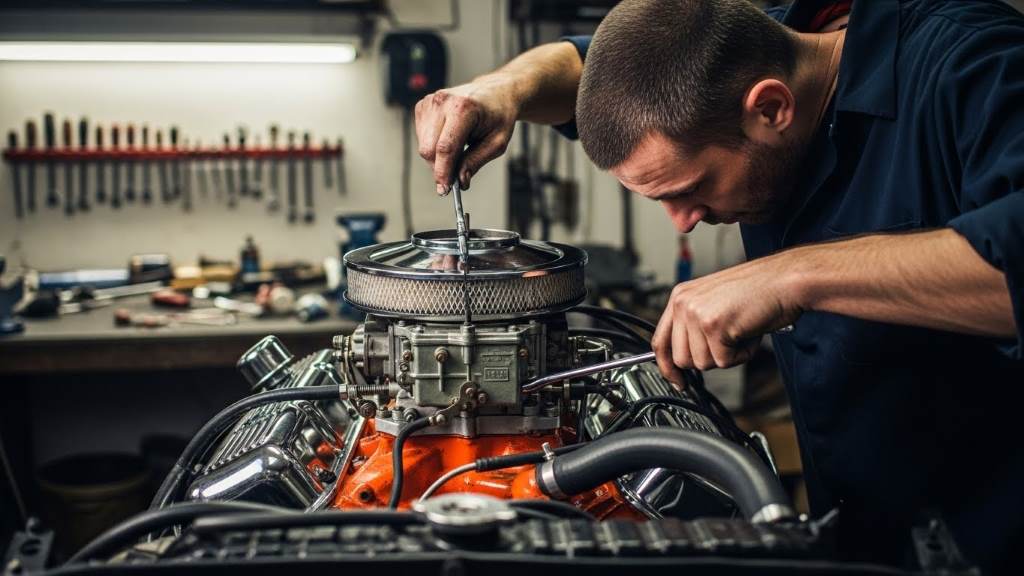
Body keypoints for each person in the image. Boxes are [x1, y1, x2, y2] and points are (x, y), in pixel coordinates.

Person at [413, 0, 1024, 572]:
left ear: (770, 110)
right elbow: (584, 62)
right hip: (866, 530)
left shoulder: (976, 69)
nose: (682, 219)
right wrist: (504, 88)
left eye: (689, 188)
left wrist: (790, 276)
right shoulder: (750, 44)